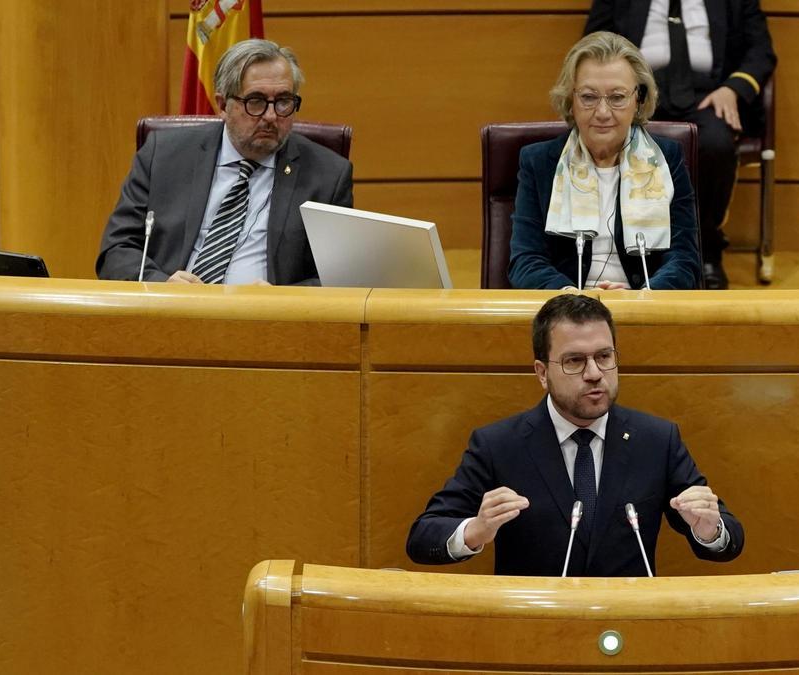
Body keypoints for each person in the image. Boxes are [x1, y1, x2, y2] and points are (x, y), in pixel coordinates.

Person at [407, 294, 744, 576]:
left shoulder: (656, 439)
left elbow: (728, 540)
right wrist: (476, 531)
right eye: (574, 361)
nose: (594, 374)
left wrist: (709, 530)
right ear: (542, 373)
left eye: (603, 356)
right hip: (533, 630)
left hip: (627, 625)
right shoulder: (499, 445)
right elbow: (423, 538)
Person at [96, 39, 352, 285]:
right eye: (256, 102)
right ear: (222, 105)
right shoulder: (163, 155)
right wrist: (161, 283)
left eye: (284, 101)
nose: (272, 116)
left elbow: (342, 277)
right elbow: (117, 250)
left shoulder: (327, 175)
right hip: (173, 314)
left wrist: (281, 299)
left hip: (267, 323)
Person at [585, 0, 776, 290]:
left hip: (709, 94)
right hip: (637, 95)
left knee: (715, 144)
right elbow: (593, 44)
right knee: (620, 138)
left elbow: (760, 50)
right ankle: (635, 250)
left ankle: (706, 250)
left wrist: (734, 88)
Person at [508, 32, 701, 291]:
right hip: (566, 314)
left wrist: (643, 298)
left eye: (617, 97)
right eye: (588, 97)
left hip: (642, 310)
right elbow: (525, 261)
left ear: (639, 99)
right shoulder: (539, 163)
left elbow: (684, 260)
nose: (602, 112)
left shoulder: (667, 159)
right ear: (571, 100)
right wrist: (573, 301)